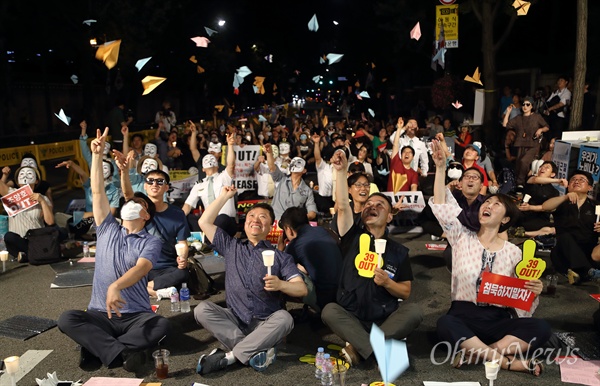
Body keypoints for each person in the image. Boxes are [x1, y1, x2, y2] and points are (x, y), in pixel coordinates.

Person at [429, 139, 549, 377]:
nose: (489, 206)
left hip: (498, 319)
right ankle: (506, 362)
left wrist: (534, 290)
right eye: (488, 202)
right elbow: (442, 205)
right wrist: (441, 168)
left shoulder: (514, 252)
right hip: (463, 315)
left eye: (496, 205)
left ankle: (478, 352)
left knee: (541, 328)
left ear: (505, 219)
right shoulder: (462, 235)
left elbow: (520, 299)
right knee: (445, 324)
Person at [57, 128, 170, 372]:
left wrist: (116, 286)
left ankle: (101, 348)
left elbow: (142, 269)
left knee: (161, 325)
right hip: (100, 313)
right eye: (129, 201)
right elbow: (97, 192)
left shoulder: (150, 241)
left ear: (147, 215)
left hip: (136, 315)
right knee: (67, 318)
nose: (132, 203)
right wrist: (96, 157)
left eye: (139, 203)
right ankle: (123, 351)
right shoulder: (107, 227)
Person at [321, 149, 422, 367]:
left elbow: (405, 292)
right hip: (352, 315)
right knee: (329, 311)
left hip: (384, 317)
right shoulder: (351, 235)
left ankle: (359, 348)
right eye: (368, 205)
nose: (372, 207)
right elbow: (342, 205)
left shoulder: (398, 251)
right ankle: (378, 348)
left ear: (390, 215)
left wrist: (387, 283)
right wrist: (340, 171)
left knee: (414, 311)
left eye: (379, 205)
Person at [194, 187, 307, 374]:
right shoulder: (231, 246)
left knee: (285, 318)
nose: (256, 219)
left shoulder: (281, 257)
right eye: (251, 216)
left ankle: (229, 357)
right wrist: (224, 196)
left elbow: (301, 289)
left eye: (263, 217)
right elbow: (204, 221)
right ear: (245, 224)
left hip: (266, 322)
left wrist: (281, 284)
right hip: (235, 321)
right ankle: (253, 350)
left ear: (271, 226)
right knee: (202, 309)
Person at [117, 152, 191, 298]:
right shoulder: (139, 207)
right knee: (125, 272)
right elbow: (127, 194)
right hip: (141, 265)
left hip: (168, 268)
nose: (154, 184)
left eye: (159, 181)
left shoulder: (177, 213)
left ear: (166, 187)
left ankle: (142, 289)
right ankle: (155, 291)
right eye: (150, 181)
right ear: (145, 186)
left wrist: (182, 259)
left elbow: (183, 244)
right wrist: (124, 171)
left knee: (183, 273)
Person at [278, 207, 342, 312]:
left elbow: (279, 268)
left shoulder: (295, 245)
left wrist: (280, 250)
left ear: (288, 229)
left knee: (287, 274)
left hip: (323, 301)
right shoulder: (323, 230)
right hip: (342, 294)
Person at [542, 171, 600, 284]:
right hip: (563, 251)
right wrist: (565, 197)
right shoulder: (562, 202)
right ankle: (587, 272)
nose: (577, 181)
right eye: (573, 179)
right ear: (568, 186)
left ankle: (580, 273)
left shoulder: (596, 206)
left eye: (582, 180)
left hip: (587, 251)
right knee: (564, 238)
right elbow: (545, 206)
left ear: (589, 188)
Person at [183, 132, 237, 237]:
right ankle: (202, 239)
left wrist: (230, 145)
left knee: (222, 218)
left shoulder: (224, 177)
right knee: (187, 218)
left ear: (217, 166)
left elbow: (231, 165)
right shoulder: (199, 185)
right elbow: (188, 205)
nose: (209, 160)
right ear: (202, 169)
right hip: (208, 223)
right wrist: (178, 220)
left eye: (212, 159)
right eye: (206, 160)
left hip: (226, 222)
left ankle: (209, 240)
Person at [0, 165, 55, 262]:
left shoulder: (43, 198)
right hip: (18, 240)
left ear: (36, 181)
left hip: (36, 239)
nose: (25, 177)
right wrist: (4, 175)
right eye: (22, 175)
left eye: (29, 174)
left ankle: (28, 255)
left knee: (59, 232)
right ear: (17, 181)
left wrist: (42, 201)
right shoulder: (12, 194)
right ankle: (37, 254)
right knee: (9, 236)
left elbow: (50, 222)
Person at [502, 96, 550, 187]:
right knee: (519, 164)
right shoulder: (518, 118)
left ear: (531, 106)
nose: (525, 106)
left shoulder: (536, 117)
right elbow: (505, 125)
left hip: (533, 144)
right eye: (523, 104)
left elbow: (547, 127)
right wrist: (508, 112)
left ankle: (520, 183)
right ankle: (522, 183)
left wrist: (540, 130)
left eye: (528, 104)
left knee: (524, 161)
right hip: (521, 143)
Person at [265, 143, 317, 221]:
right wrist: (269, 153)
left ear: (304, 170)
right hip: (276, 223)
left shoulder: (307, 191)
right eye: (294, 163)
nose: (295, 165)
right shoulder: (281, 179)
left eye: (299, 163)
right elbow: (272, 167)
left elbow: (312, 212)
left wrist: (299, 220)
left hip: (292, 226)